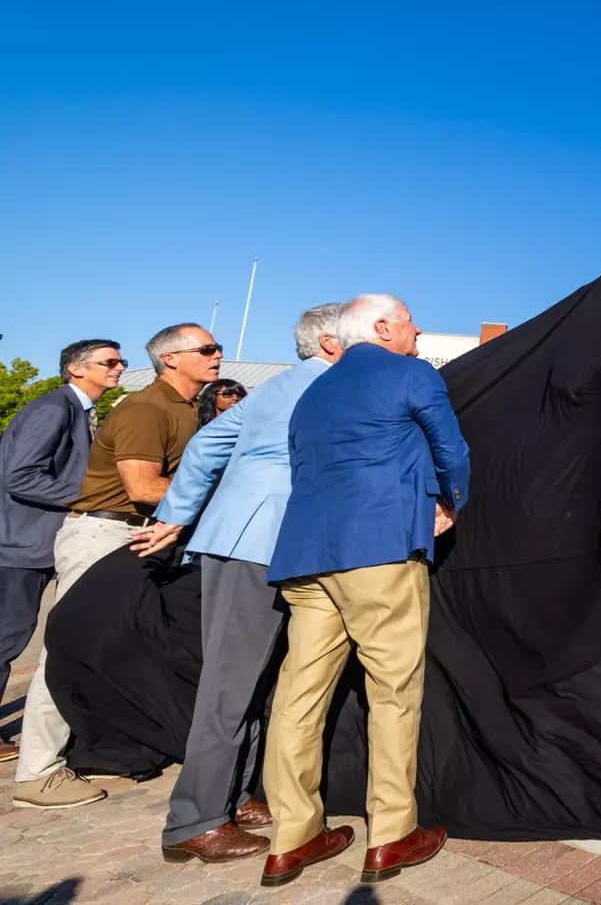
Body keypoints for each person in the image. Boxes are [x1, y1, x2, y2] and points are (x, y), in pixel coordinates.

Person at [259, 294, 469, 888]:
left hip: (305, 555)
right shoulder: (413, 373)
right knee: (394, 690)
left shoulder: (311, 392)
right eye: (409, 320)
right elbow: (451, 449)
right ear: (382, 327)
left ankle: (290, 839)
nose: (418, 328)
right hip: (379, 549)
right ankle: (392, 835)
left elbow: (304, 466)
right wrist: (451, 501)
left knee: (299, 695)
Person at [125, 305, 346, 865]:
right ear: (330, 343)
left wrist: (177, 514)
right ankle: (192, 823)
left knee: (251, 683)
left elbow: (205, 447)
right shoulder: (322, 386)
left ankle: (232, 798)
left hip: (252, 543)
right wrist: (174, 516)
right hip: (254, 545)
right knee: (229, 688)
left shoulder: (285, 384)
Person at [11, 323, 220, 809]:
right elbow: (144, 487)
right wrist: (225, 497)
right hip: (104, 532)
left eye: (218, 348)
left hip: (141, 534)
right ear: (171, 358)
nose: (216, 356)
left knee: (134, 644)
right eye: (206, 349)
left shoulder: (184, 407)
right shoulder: (147, 408)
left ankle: (108, 744)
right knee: (68, 647)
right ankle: (36, 771)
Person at [0, 340, 125, 762]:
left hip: (44, 543)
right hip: (20, 546)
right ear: (76, 369)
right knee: (7, 638)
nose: (119, 367)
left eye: (120, 360)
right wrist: (91, 495)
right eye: (110, 361)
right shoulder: (53, 409)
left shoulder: (81, 412)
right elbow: (18, 476)